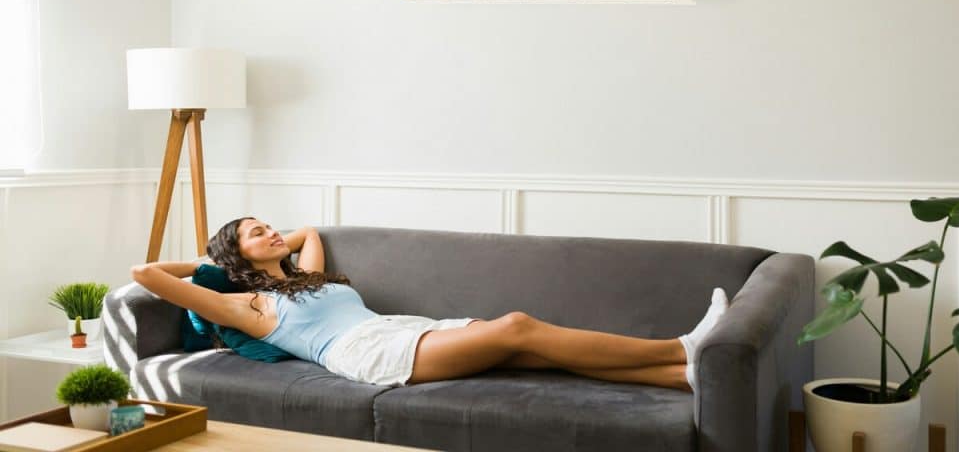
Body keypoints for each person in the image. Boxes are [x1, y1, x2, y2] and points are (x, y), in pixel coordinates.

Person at [131, 217, 729, 393]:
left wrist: (267, 247)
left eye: (267, 226)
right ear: (236, 258)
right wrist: (217, 267)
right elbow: (147, 272)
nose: (270, 233)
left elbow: (310, 231)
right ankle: (680, 344)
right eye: (254, 232)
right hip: (367, 355)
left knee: (531, 356)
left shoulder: (300, 279)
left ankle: (685, 375)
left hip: (400, 329)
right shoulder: (249, 307)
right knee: (517, 328)